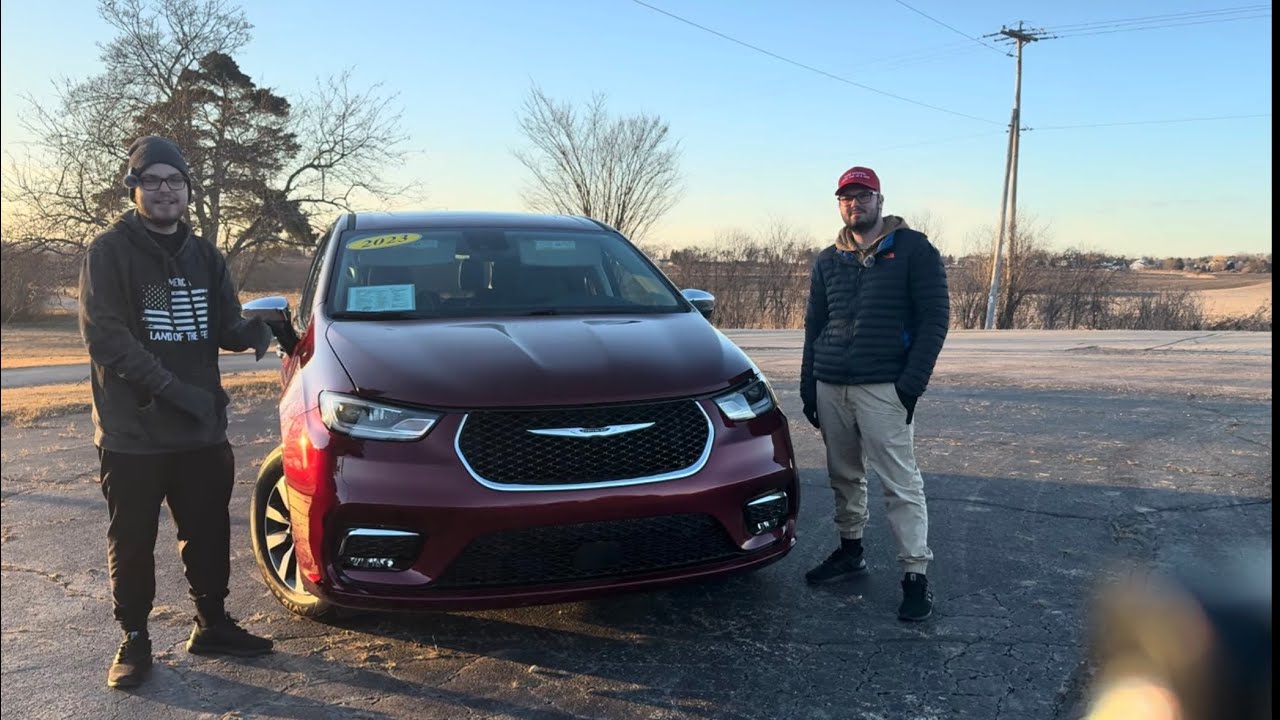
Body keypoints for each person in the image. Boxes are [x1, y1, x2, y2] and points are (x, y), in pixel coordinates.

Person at [79, 136, 276, 689]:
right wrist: (175, 390)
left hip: (200, 431)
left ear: (188, 190)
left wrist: (266, 328)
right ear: (134, 188)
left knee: (209, 530)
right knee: (133, 538)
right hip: (132, 433)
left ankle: (212, 624)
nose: (165, 190)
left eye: (175, 181)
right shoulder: (107, 252)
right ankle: (135, 639)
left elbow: (224, 324)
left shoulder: (205, 254)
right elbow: (107, 340)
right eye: (152, 180)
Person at [799, 165, 950, 622]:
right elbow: (815, 325)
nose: (855, 204)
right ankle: (850, 552)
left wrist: (910, 387)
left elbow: (934, 319)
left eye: (863, 196)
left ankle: (915, 576)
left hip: (885, 386)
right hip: (832, 385)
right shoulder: (828, 259)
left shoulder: (913, 250)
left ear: (879, 201)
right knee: (844, 476)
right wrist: (810, 384)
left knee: (900, 484)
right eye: (846, 197)